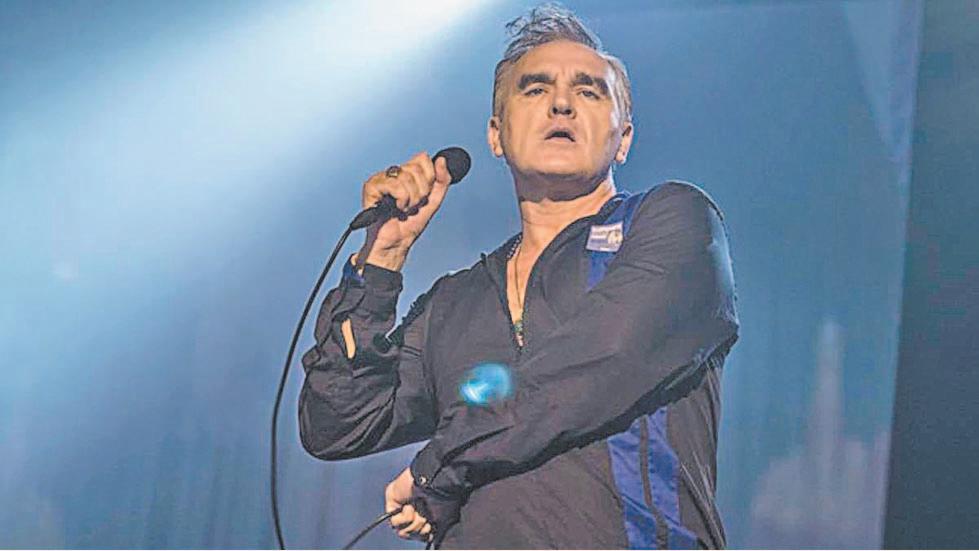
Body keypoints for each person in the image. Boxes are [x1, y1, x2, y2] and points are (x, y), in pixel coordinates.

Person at [299, 4, 739, 548]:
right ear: (496, 135)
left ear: (623, 137)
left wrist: (437, 470)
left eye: (588, 91)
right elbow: (337, 424)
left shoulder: (671, 222)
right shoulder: (455, 302)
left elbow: (603, 359)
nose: (561, 103)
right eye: (535, 89)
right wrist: (381, 260)